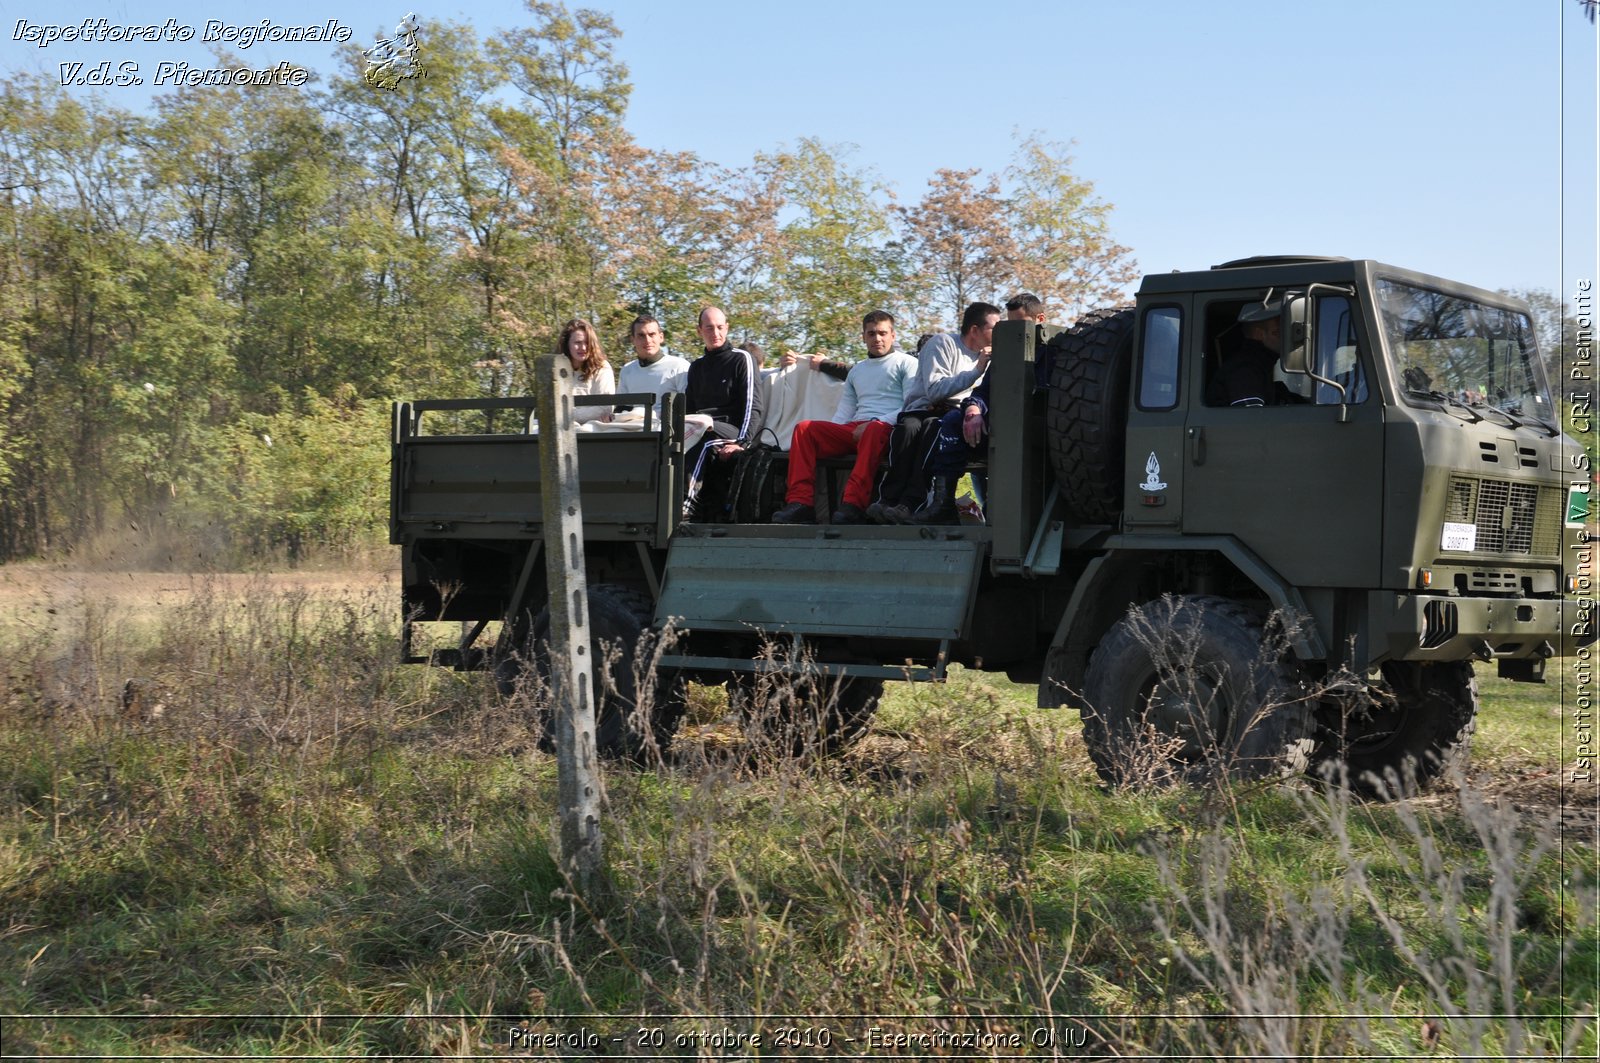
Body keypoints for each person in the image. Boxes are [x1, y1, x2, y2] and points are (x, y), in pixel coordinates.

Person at [771, 311, 918, 525]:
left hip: (887, 429)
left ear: (893, 336)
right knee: (804, 429)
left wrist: (874, 423)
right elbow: (844, 412)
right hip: (857, 428)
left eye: (883, 333)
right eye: (871, 333)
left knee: (873, 430)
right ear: (863, 337)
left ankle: (853, 505)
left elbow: (909, 406)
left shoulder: (906, 363)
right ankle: (800, 503)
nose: (877, 338)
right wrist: (834, 435)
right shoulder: (858, 370)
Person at [867, 301, 1000, 524]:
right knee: (908, 428)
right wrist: (976, 370)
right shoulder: (943, 343)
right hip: (921, 409)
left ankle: (910, 504)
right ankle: (887, 501)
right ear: (975, 330)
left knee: (935, 428)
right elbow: (935, 390)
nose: (1000, 334)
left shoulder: (994, 356)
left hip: (948, 417)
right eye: (994, 329)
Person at [682, 306, 765, 520]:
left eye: (720, 327)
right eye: (709, 328)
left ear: (727, 328)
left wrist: (743, 442)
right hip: (700, 427)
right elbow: (689, 410)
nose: (715, 333)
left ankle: (686, 503)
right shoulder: (696, 367)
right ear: (699, 331)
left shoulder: (741, 359)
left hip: (731, 429)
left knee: (703, 441)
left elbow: (753, 406)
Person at [1209, 299, 1293, 407]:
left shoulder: (1259, 364)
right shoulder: (1244, 369)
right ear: (1259, 334)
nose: (1284, 337)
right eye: (1277, 332)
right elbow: (1251, 418)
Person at [616, 313, 689, 419]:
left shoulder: (679, 366)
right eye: (641, 335)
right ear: (633, 340)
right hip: (632, 428)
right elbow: (622, 409)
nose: (647, 340)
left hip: (666, 430)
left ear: (661, 337)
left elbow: (688, 406)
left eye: (652, 334)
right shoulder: (627, 370)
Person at [558, 318, 615, 424]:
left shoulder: (602, 368)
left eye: (587, 343)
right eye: (578, 343)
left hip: (592, 428)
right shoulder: (557, 370)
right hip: (561, 427)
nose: (583, 347)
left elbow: (605, 408)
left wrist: (567, 416)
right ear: (567, 344)